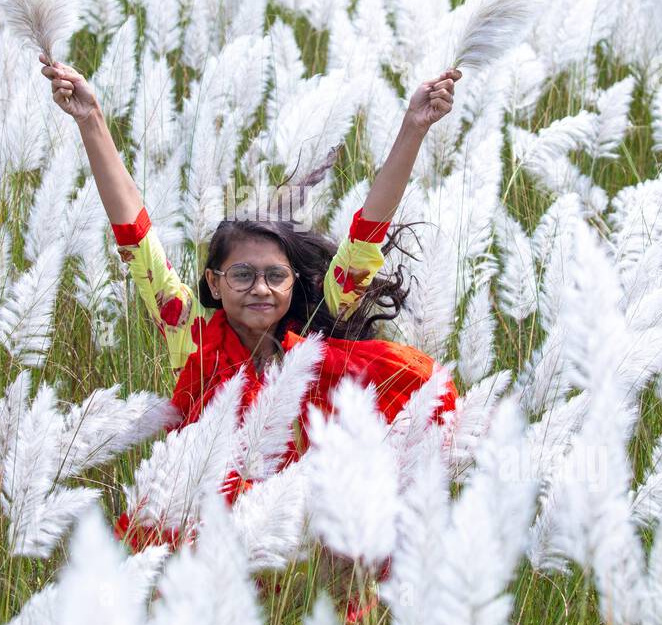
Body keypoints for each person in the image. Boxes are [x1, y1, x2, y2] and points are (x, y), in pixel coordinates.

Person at [41, 55, 462, 555]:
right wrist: (91, 120)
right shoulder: (191, 333)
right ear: (214, 284)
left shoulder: (315, 337)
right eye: (242, 274)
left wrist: (414, 128)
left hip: (287, 546)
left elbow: (369, 227)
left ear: (292, 284)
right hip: (198, 542)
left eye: (274, 276)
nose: (260, 287)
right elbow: (136, 235)